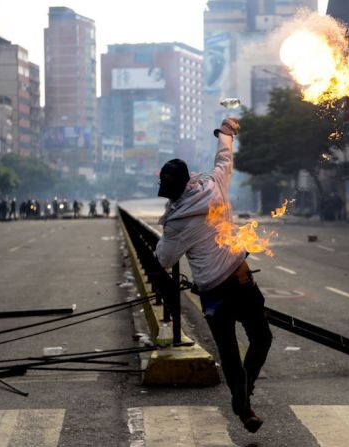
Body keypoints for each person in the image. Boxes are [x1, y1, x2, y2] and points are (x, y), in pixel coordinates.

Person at [154, 117, 272, 434]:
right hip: (240, 278)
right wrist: (226, 133)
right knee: (262, 338)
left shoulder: (177, 222)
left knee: (230, 356)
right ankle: (244, 396)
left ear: (173, 190)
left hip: (213, 293)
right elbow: (224, 158)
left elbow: (164, 259)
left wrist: (164, 229)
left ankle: (243, 402)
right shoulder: (213, 184)